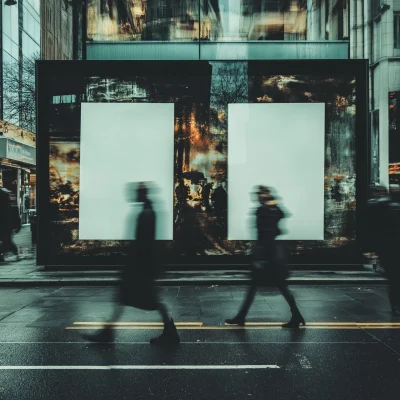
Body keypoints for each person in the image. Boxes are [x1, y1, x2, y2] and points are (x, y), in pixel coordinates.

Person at [83, 182, 180, 345]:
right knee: (130, 298)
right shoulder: (148, 210)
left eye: (136, 192)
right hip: (143, 264)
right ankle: (169, 332)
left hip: (141, 265)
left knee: (143, 299)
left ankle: (108, 333)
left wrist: (134, 264)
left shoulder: (146, 213)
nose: (133, 195)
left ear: (142, 194)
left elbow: (144, 243)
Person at [225, 186, 305, 329]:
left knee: (260, 286)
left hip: (267, 255)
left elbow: (262, 235)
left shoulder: (262, 210)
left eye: (259, 194)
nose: (257, 196)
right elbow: (283, 215)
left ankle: (241, 317)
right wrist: (273, 202)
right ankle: (296, 316)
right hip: (273, 254)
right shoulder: (272, 209)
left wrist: (259, 257)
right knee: (276, 287)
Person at [364, 185, 400, 315]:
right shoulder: (384, 207)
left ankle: (396, 305)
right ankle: (396, 305)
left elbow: (371, 228)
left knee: (394, 278)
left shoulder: (379, 206)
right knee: (395, 278)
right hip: (389, 248)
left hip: (387, 248)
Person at [0, 188, 21, 261]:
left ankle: (15, 252)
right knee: (7, 241)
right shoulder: (11, 206)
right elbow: (17, 217)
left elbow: (16, 217)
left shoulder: (10, 207)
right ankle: (15, 252)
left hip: (6, 226)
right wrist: (18, 226)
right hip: (7, 226)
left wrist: (18, 226)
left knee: (7, 241)